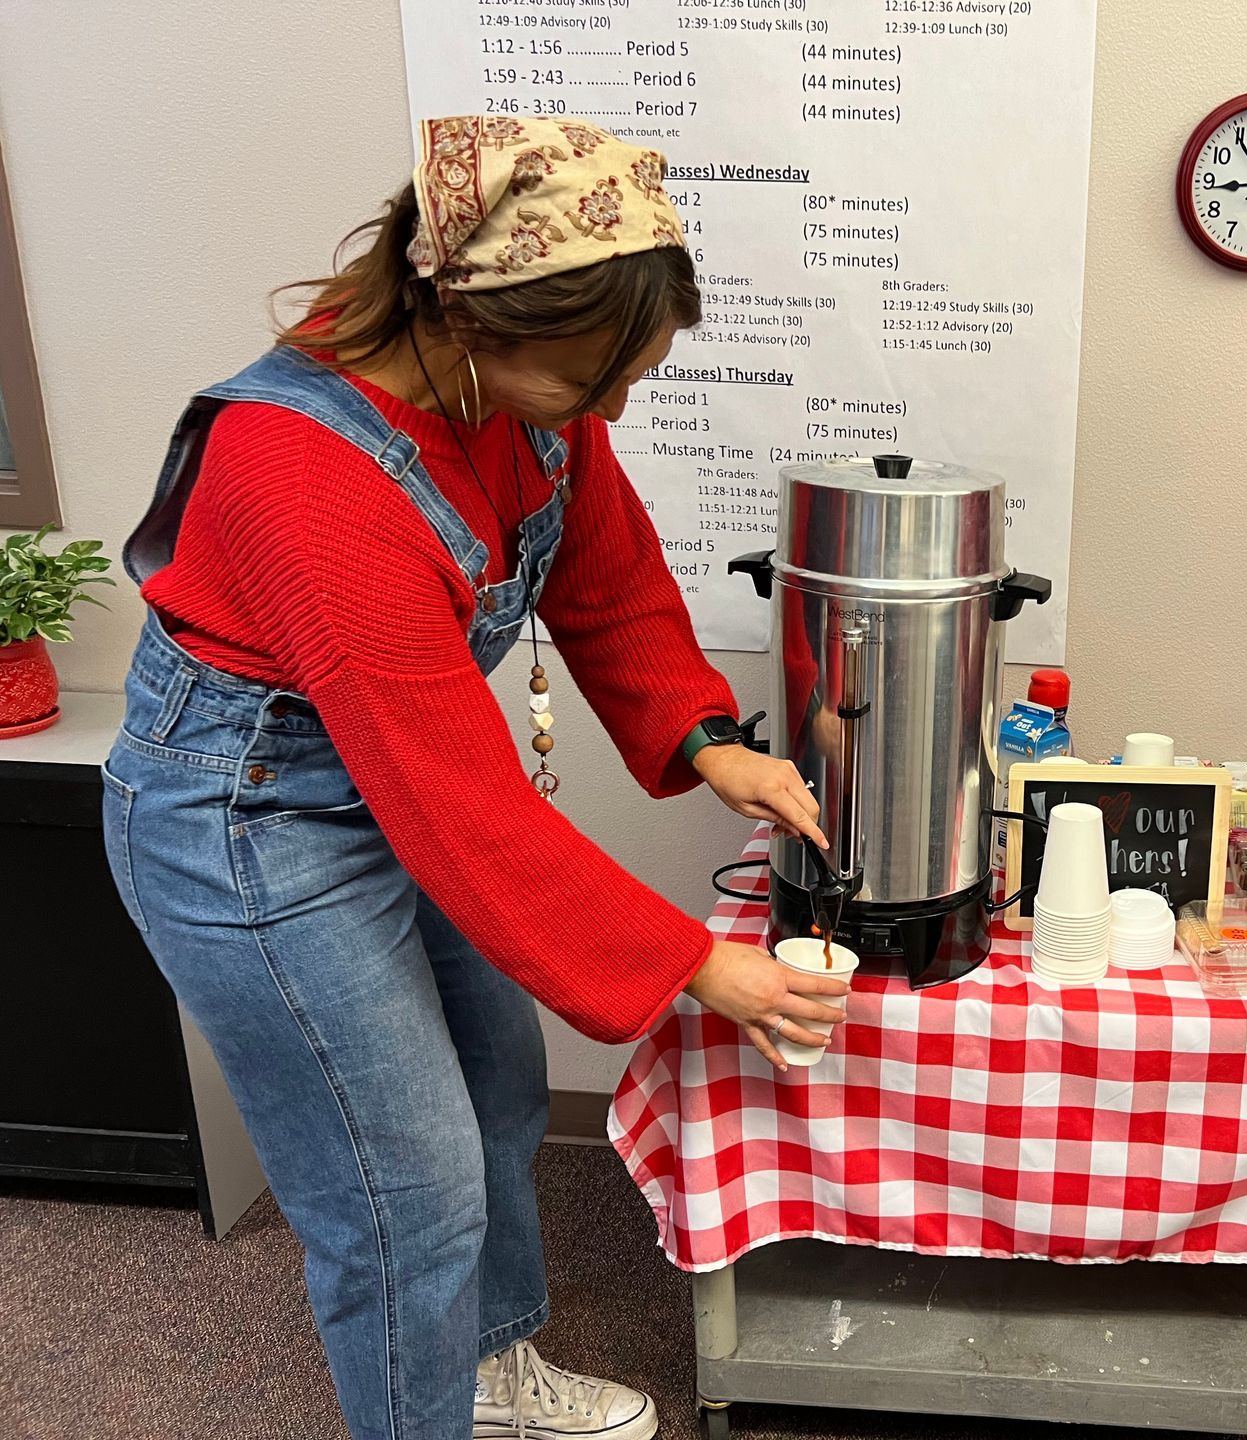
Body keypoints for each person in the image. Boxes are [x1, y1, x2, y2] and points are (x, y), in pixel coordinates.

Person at [101, 116, 851, 1440]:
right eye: (591, 385)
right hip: (245, 818)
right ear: (468, 325)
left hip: (390, 771)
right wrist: (698, 963)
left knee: (500, 1085)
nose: (610, 411)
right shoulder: (302, 474)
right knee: (405, 1197)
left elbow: (608, 576)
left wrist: (705, 737)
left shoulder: (513, 390)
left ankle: (490, 1377)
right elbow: (464, 810)